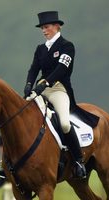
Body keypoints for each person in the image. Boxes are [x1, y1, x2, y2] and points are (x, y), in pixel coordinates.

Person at [24, 11, 88, 178]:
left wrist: (44, 83)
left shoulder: (67, 46)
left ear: (57, 26)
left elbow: (62, 69)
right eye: (42, 28)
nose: (44, 31)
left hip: (59, 89)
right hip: (40, 89)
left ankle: (78, 161)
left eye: (46, 27)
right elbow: (33, 69)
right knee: (20, 114)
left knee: (65, 124)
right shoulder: (40, 49)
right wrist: (29, 85)